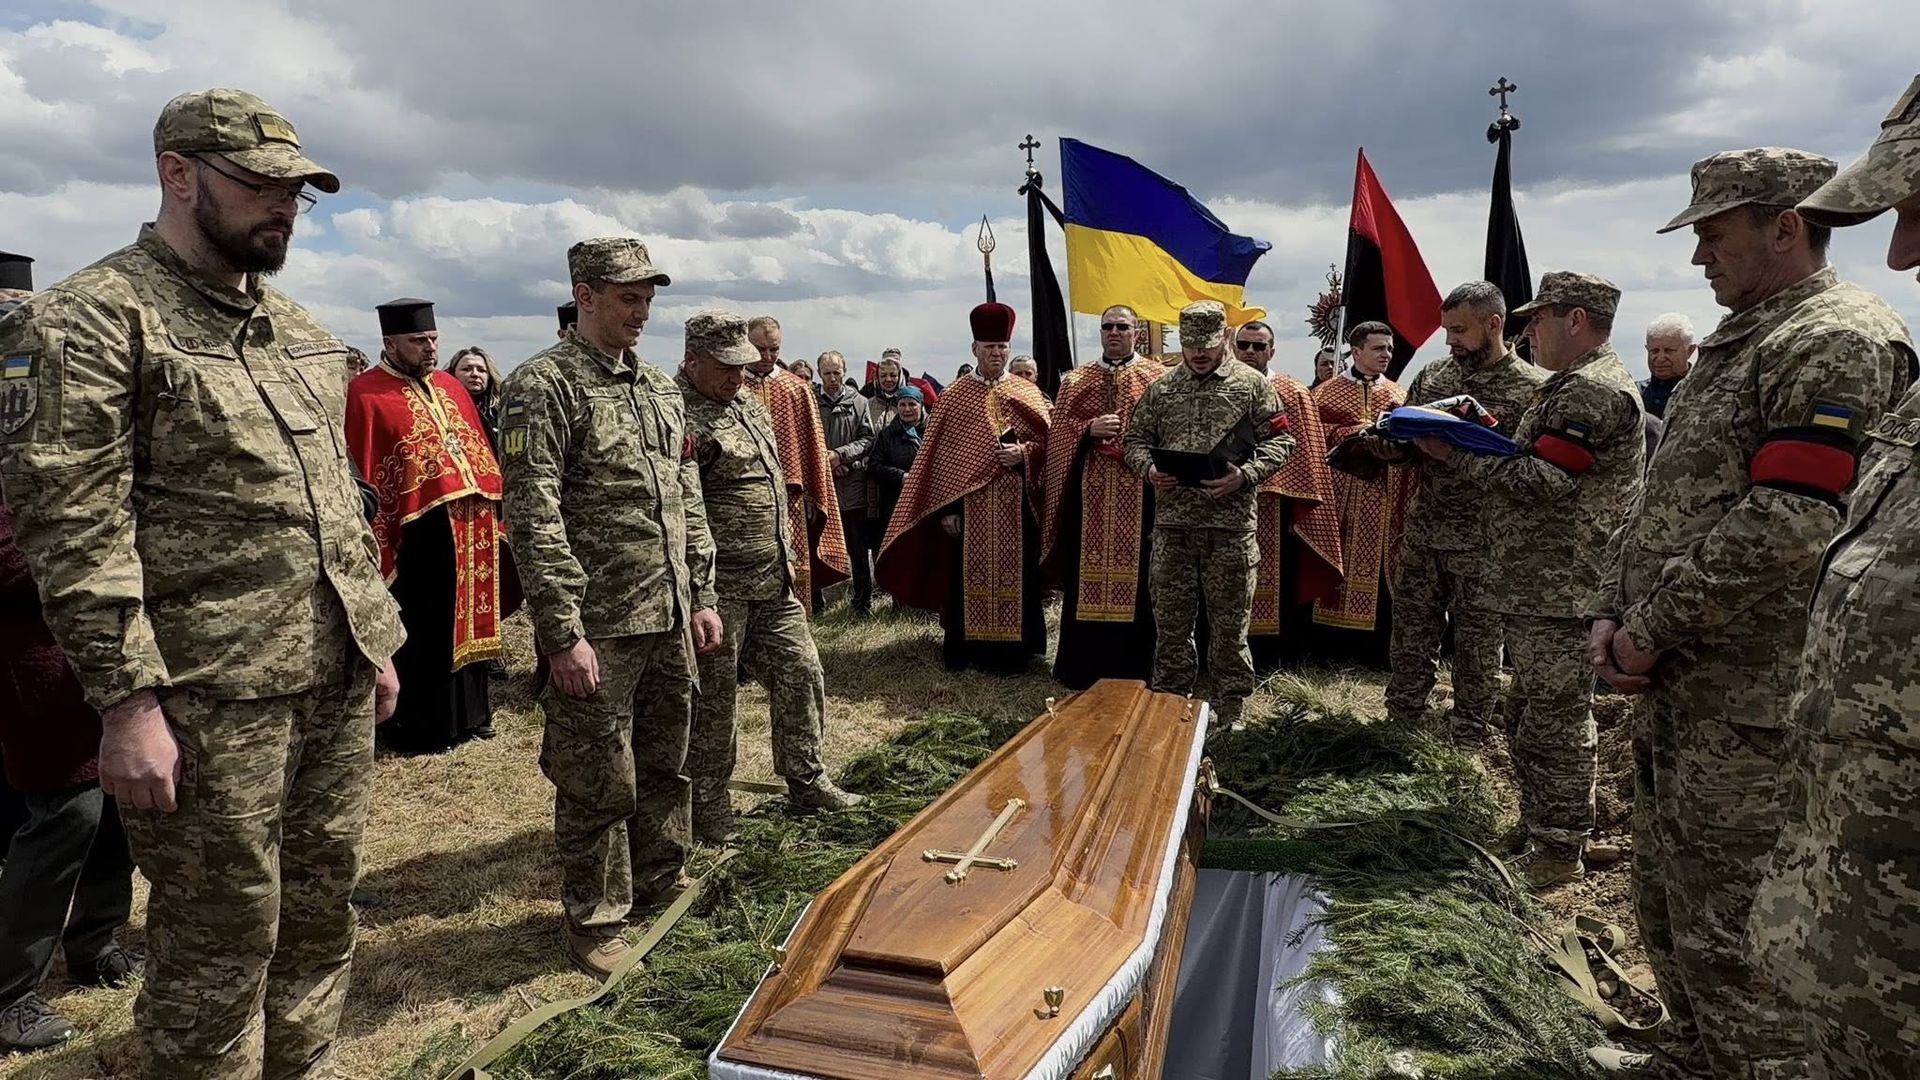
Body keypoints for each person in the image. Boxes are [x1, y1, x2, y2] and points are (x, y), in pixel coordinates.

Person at [0, 88, 405, 1079]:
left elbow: (331, 504)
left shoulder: (300, 330)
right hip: (204, 699)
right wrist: (127, 704)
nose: (284, 210)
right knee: (217, 946)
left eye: (296, 194)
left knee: (316, 916)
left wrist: (375, 639)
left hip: (330, 680)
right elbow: (73, 521)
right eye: (260, 186)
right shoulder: (93, 319)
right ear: (177, 175)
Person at [1589, 147, 1913, 1080]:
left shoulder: (1834, 338)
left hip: (1749, 696)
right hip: (1685, 682)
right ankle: (1690, 1055)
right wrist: (1616, 610)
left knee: (1738, 929)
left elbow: (1790, 521)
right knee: (1669, 896)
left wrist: (1650, 627)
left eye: (1714, 235)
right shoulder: (1746, 337)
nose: (1698, 259)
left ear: (1784, 226)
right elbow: (1665, 500)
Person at [1748, 76, 1920, 1080]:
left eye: (1915, 210)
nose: (1900, 253)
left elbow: (1785, 517)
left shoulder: (1842, 338)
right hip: (1862, 944)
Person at [498, 237, 723, 978]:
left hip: (668, 615)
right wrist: (561, 634)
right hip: (600, 624)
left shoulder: (658, 387)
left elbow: (685, 496)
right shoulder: (545, 385)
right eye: (628, 296)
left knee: (668, 761)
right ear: (585, 294)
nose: (642, 310)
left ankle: (663, 880)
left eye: (648, 297)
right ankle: (593, 920)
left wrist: (701, 593)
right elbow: (533, 515)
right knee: (598, 778)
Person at [1415, 272, 1645, 888]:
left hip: (1563, 586)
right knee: (1531, 711)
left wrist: (1452, 455)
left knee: (1554, 719)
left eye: (1538, 318)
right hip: (1545, 582)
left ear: (1575, 320)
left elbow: (1546, 481)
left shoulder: (1589, 392)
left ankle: (1558, 847)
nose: (1528, 329)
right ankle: (1544, 826)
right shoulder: (1574, 385)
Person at [678, 311, 861, 843]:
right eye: (726, 367)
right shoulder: (678, 415)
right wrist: (699, 591)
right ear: (694, 361)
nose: (740, 375)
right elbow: (682, 508)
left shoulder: (747, 405)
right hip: (719, 589)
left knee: (801, 671)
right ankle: (708, 809)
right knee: (714, 704)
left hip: (772, 579)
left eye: (745, 364)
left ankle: (806, 779)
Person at [0, 502, 140, 1052]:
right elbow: (9, 560)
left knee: (116, 806)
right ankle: (8, 994)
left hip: (106, 659)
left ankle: (95, 944)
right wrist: (104, 555)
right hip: (36, 662)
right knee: (67, 814)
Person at [347, 300, 508, 754]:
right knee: (424, 629)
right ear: (390, 342)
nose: (430, 348)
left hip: (471, 524)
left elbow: (476, 447)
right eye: (419, 341)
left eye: (433, 339)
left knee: (472, 620)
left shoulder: (451, 388)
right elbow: (370, 462)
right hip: (415, 535)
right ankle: (422, 727)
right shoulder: (365, 393)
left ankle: (473, 716)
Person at [1388, 282, 1547, 737]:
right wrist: (1389, 447)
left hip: (1487, 541)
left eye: (1459, 330)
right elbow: (1408, 435)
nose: (1450, 341)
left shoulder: (1533, 388)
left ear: (1494, 324)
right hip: (1425, 530)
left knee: (1478, 643)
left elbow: (1533, 467)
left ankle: (1469, 732)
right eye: (1447, 330)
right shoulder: (1435, 376)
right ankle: (1401, 723)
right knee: (1411, 631)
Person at [1124, 302, 1293, 730]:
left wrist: (1247, 475)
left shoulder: (1253, 386)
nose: (1198, 354)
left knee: (1230, 626)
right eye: (1190, 346)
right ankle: (1168, 707)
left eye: (1207, 346)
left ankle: (1230, 709)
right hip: (1173, 528)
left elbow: (1282, 440)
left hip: (1230, 528)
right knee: (1172, 624)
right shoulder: (1161, 389)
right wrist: (1148, 468)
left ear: (1224, 340)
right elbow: (1135, 440)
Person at [876, 303, 1050, 672]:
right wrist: (946, 511)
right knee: (965, 579)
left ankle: (1016, 654)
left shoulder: (1027, 392)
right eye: (988, 346)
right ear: (974, 349)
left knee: (1018, 577)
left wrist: (1025, 454)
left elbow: (1049, 446)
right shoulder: (954, 396)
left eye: (1002, 346)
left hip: (1016, 507)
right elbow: (937, 462)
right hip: (967, 509)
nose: (996, 353)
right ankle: (967, 650)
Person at [1039, 305, 1164, 689]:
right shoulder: (1077, 380)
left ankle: (1137, 665)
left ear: (1136, 333)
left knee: (1141, 577)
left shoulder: (1157, 378)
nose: (1114, 332)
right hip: (1088, 496)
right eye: (1107, 326)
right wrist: (1086, 429)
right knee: (1086, 575)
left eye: (1121, 326)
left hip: (1141, 492)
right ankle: (1082, 666)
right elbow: (1057, 439)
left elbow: (1170, 432)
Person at [1232, 321, 1343, 670]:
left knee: (1281, 579)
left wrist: (1281, 485)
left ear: (1272, 351)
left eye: (1259, 346)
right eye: (1245, 345)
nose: (1251, 352)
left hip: (1279, 505)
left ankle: (1280, 657)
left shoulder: (1292, 391)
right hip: (1227, 501)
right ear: (1234, 347)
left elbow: (1307, 453)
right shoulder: (1218, 386)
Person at [1309, 321, 1411, 659]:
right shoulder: (1326, 392)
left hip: (1384, 495)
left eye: (1390, 349)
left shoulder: (1399, 393)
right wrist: (1350, 432)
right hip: (1341, 497)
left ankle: (1377, 650)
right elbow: (1311, 435)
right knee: (1336, 567)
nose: (1387, 355)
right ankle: (1333, 648)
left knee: (1383, 571)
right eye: (1379, 348)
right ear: (1356, 351)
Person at [744, 316, 850, 616]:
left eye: (773, 349)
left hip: (792, 500)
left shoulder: (796, 389)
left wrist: (813, 495)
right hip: (742, 500)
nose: (766, 357)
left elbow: (813, 448)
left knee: (793, 568)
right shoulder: (732, 384)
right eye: (759, 349)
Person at [814, 351, 875, 615]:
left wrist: (841, 456)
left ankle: (862, 602)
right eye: (826, 373)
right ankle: (816, 603)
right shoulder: (811, 401)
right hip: (821, 487)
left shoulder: (859, 402)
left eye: (836, 372)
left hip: (852, 486)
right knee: (816, 547)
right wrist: (825, 462)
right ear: (819, 374)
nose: (832, 378)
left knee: (858, 551)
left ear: (845, 370)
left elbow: (867, 439)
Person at [867, 385, 924, 534]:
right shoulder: (887, 435)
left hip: (927, 504)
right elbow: (874, 466)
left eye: (912, 404)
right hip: (896, 505)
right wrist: (900, 476)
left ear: (921, 405)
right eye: (902, 404)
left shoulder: (932, 432)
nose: (907, 409)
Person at [449, 345, 506, 455]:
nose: (475, 374)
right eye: (466, 369)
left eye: (481, 370)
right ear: (453, 373)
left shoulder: (501, 411)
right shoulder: (443, 409)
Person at [1640, 312, 1696, 421]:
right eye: (1654, 351)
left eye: (1669, 351)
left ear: (1690, 351)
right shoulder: (1635, 394)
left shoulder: (1704, 394)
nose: (1660, 358)